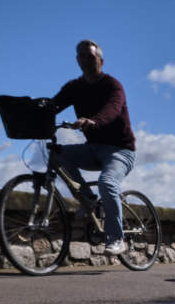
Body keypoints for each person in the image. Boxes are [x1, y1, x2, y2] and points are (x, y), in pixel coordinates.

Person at [51, 39, 136, 256]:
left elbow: (113, 108)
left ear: (101, 60)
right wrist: (33, 113)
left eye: (90, 56)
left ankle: (117, 238)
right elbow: (54, 105)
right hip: (93, 148)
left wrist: (93, 121)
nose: (85, 60)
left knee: (107, 183)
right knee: (59, 155)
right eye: (81, 56)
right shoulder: (75, 87)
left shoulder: (113, 85)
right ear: (77, 60)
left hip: (120, 151)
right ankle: (87, 197)